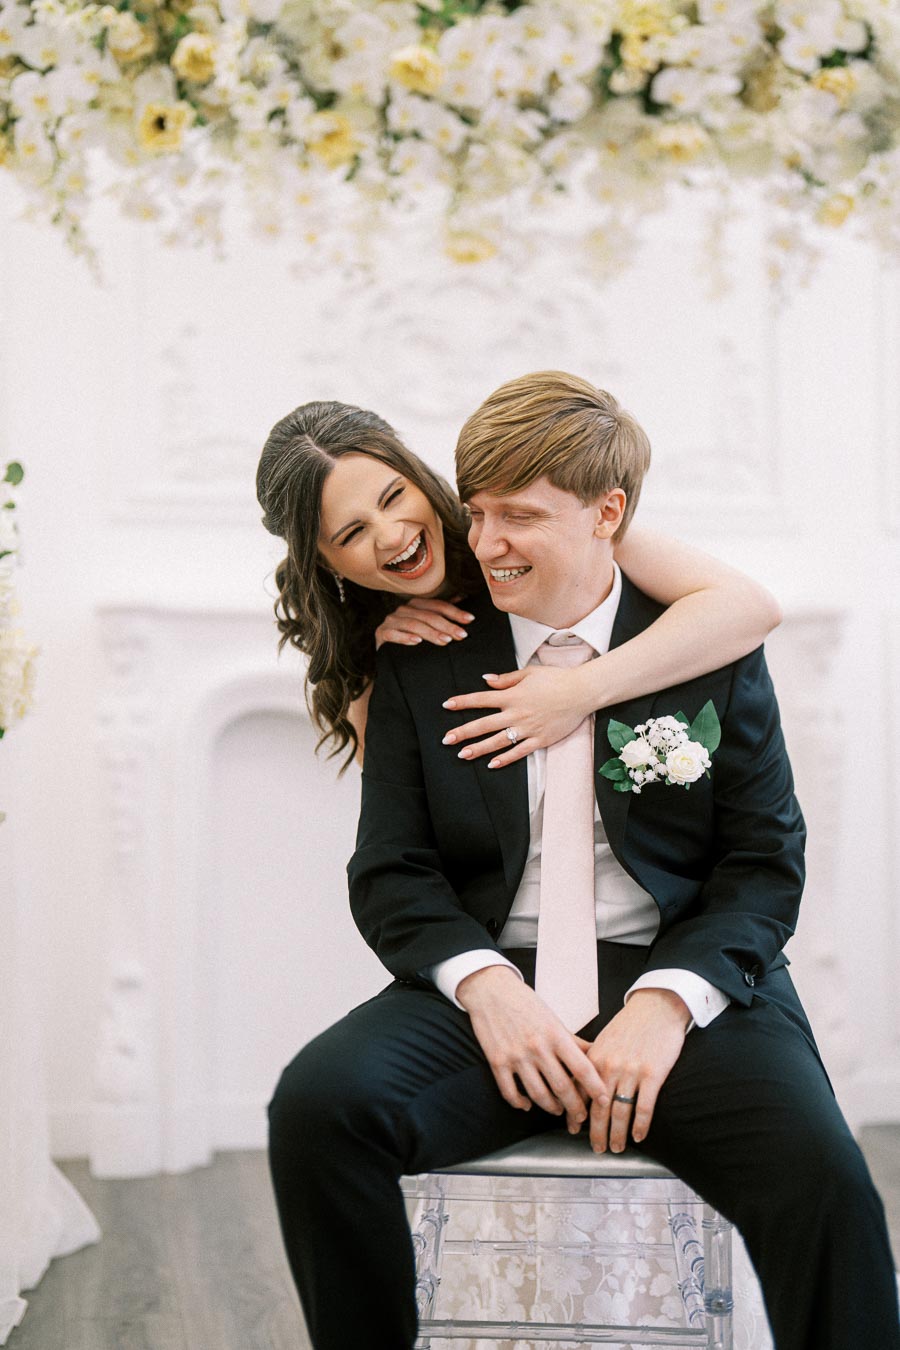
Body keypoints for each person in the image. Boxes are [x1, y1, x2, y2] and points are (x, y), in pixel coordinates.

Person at [266, 373, 900, 1350]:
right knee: (318, 1109)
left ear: (606, 516)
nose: (480, 543)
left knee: (827, 1181)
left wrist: (668, 999)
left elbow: (765, 862)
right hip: (500, 994)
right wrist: (487, 989)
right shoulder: (418, 651)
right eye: (476, 515)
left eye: (515, 517)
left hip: (682, 980)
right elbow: (393, 871)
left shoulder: (699, 636)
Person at [256, 399, 782, 771]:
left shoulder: (526, 527)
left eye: (394, 497)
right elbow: (395, 810)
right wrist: (377, 668)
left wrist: (578, 692)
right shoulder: (367, 639)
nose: (392, 536)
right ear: (322, 562)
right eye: (351, 533)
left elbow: (749, 607)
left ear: (415, 474)